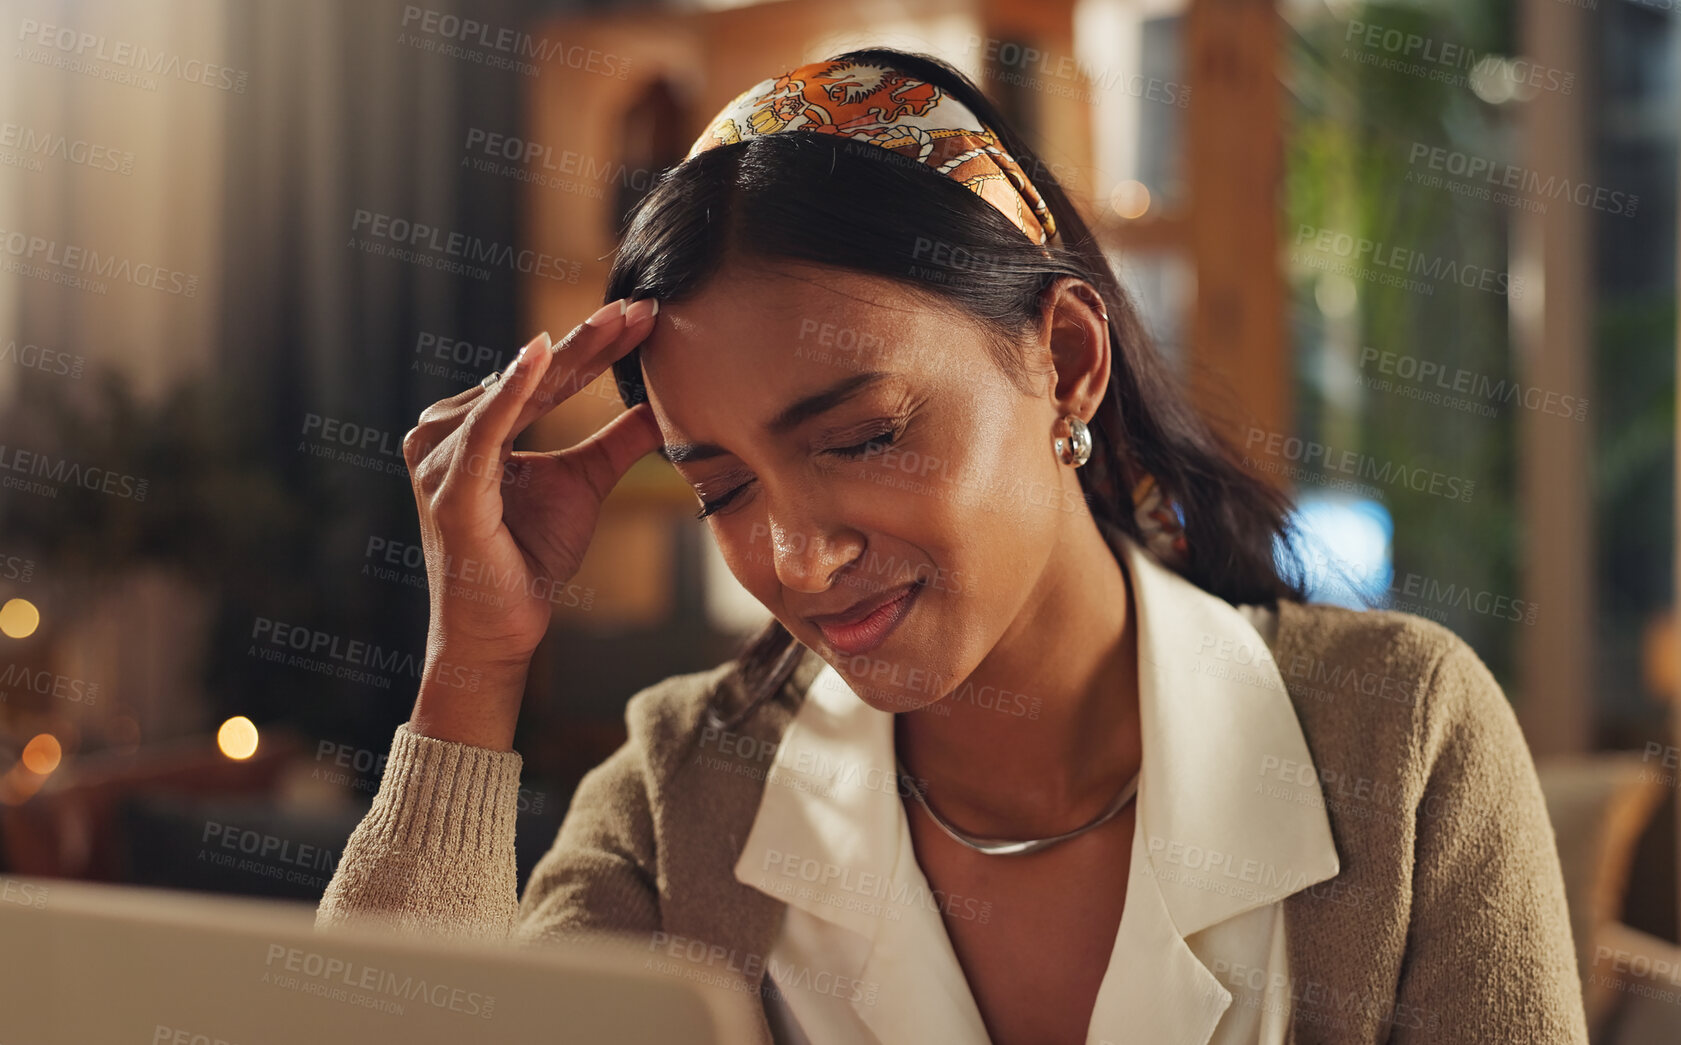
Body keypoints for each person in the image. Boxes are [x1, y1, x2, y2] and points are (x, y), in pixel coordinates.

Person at [316, 48, 1588, 1045]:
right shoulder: (679, 800)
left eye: (863, 436)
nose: (796, 559)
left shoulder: (1398, 739)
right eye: (721, 490)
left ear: (1067, 362)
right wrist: (471, 673)